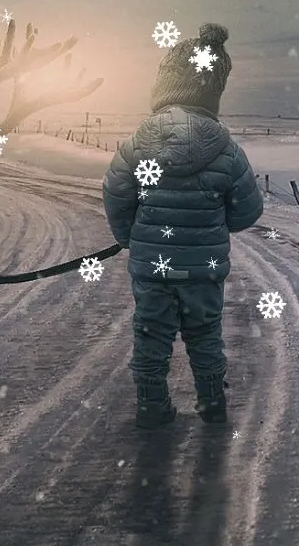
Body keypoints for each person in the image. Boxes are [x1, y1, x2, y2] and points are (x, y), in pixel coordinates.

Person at [102, 23, 264, 429]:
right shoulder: (226, 148)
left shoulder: (137, 142)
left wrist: (130, 239)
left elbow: (115, 195)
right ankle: (211, 404)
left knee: (151, 336)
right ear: (213, 92)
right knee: (206, 334)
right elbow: (247, 211)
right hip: (203, 269)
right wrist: (212, 223)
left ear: (165, 85)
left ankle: (152, 408)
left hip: (151, 267)